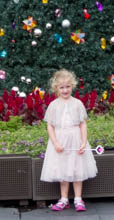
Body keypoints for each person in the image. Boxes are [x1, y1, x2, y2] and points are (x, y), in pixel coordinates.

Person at [41, 69, 97, 212]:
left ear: (72, 86)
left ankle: (78, 198)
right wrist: (55, 143)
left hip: (75, 139)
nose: (65, 90)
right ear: (56, 88)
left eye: (68, 86)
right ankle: (64, 198)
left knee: (78, 169)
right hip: (60, 141)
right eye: (62, 87)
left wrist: (84, 141)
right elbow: (50, 125)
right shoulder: (54, 105)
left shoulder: (77, 103)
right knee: (63, 169)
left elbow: (82, 123)